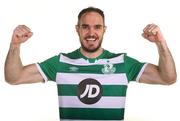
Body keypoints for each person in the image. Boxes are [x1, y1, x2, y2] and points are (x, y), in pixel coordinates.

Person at [4, 7, 177, 121]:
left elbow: (168, 78)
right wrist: (15, 45)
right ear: (77, 29)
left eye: (97, 27)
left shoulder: (122, 63)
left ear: (104, 30)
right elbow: (14, 77)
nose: (91, 33)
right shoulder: (61, 62)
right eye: (85, 27)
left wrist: (160, 43)